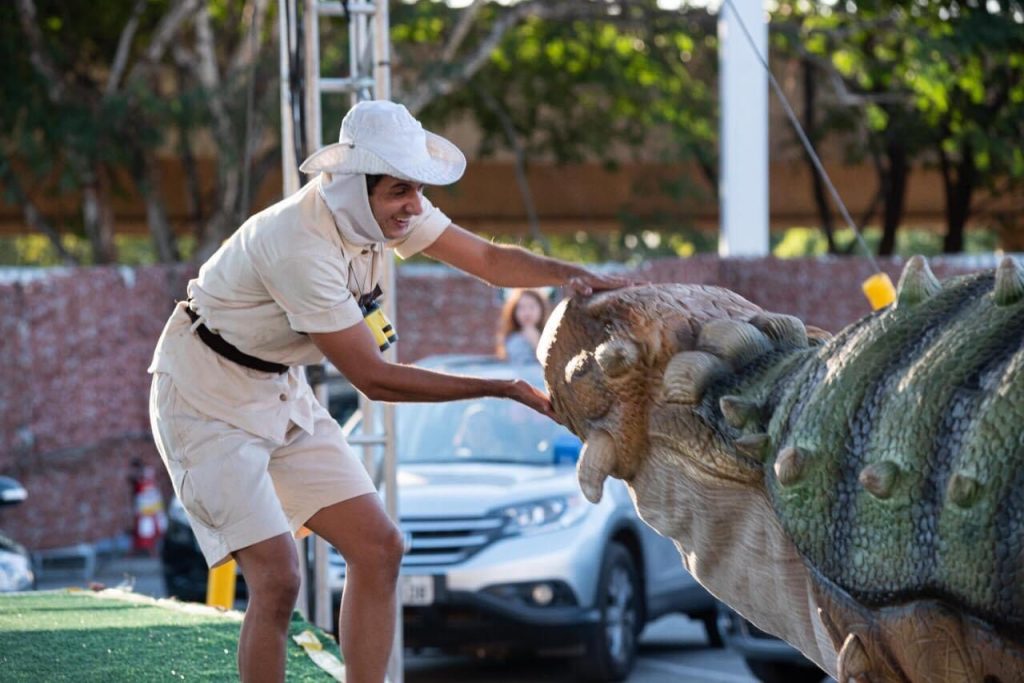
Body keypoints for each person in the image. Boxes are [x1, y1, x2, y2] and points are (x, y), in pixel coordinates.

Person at [147, 100, 634, 683]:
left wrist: (569, 274)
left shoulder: (387, 210)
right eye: (401, 190)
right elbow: (373, 378)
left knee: (381, 548)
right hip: (203, 398)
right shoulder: (299, 245)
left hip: (277, 386)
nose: (414, 205)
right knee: (278, 579)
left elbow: (486, 257)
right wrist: (501, 387)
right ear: (357, 187)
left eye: (418, 190)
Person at [495, 288, 549, 364]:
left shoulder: (550, 337)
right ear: (513, 311)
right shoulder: (509, 337)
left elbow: (552, 365)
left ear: (541, 309)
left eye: (532, 307)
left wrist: (537, 343)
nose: (527, 313)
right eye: (521, 307)